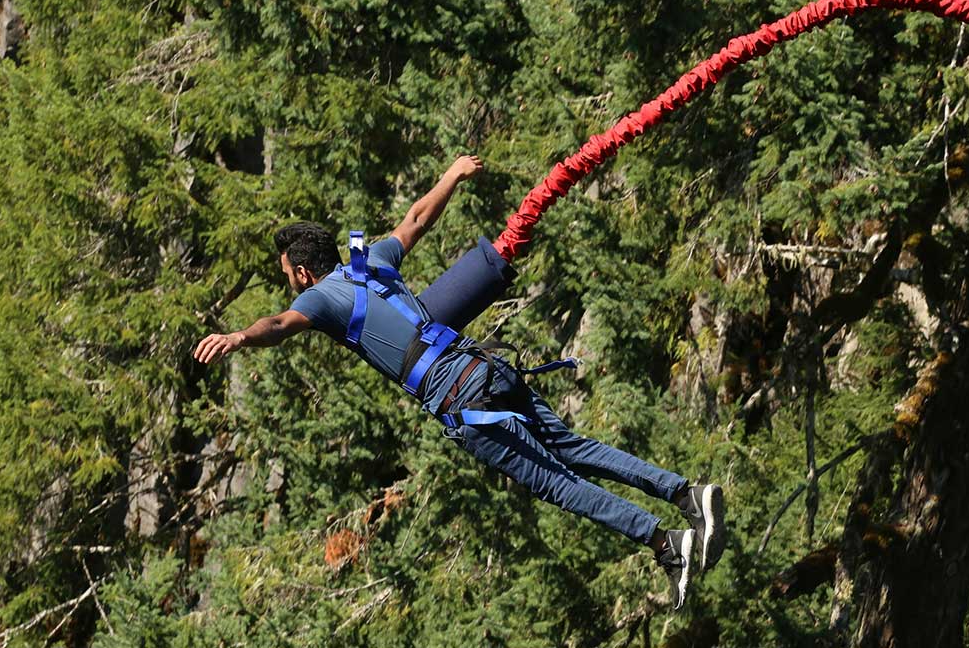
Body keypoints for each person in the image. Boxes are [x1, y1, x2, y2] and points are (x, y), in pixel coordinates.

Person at [193, 155, 726, 609]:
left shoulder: (318, 297)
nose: (289, 283)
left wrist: (240, 337)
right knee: (572, 448)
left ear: (303, 272)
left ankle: (666, 543)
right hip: (484, 365)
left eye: (287, 273)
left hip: (458, 397)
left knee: (557, 483)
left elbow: (280, 325)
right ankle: (686, 494)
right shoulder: (370, 261)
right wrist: (450, 176)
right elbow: (416, 220)